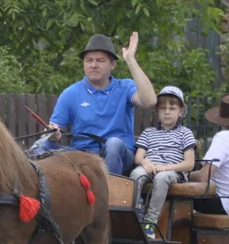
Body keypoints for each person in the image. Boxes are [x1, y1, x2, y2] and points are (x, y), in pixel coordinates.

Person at [31, 32, 158, 175]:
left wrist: (130, 60)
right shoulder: (70, 93)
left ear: (113, 64)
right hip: (82, 156)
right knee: (39, 146)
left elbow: (150, 101)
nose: (93, 65)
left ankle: (110, 195)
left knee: (114, 143)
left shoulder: (125, 87)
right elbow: (51, 130)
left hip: (119, 156)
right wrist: (51, 134)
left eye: (100, 60)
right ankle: (35, 196)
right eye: (89, 60)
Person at [128, 86, 196, 240]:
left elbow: (189, 164)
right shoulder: (149, 133)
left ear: (181, 111)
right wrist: (145, 162)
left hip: (173, 171)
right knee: (136, 174)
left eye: (172, 108)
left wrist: (167, 167)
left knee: (162, 177)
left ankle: (151, 221)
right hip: (150, 167)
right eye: (163, 108)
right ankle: (135, 213)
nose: (167, 112)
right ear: (157, 111)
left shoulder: (185, 133)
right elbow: (138, 157)